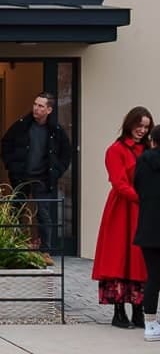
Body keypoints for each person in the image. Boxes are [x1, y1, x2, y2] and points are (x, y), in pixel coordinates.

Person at [93, 106, 153, 329]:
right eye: (139, 125)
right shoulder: (115, 150)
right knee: (120, 257)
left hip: (140, 208)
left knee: (139, 259)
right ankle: (119, 312)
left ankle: (138, 310)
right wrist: (143, 198)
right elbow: (119, 183)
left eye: (146, 127)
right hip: (122, 209)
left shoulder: (147, 149)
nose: (142, 130)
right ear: (130, 124)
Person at [0, 93, 73, 258]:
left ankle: (45, 251)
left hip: (43, 178)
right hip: (21, 176)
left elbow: (66, 154)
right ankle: (15, 247)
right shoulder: (22, 126)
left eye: (41, 106)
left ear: (49, 110)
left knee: (43, 214)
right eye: (35, 104)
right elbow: (6, 143)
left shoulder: (56, 131)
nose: (36, 108)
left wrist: (57, 171)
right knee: (16, 211)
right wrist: (11, 165)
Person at [133, 125, 160, 341]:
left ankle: (150, 325)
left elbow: (138, 187)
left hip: (148, 227)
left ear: (153, 140)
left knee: (153, 277)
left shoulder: (143, 161)